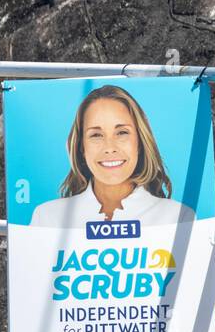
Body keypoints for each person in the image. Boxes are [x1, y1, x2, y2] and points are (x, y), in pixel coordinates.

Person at [29, 85, 194, 227]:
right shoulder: (47, 218)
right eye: (96, 135)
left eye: (122, 133)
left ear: (140, 142)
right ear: (81, 147)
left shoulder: (178, 218)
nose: (109, 148)